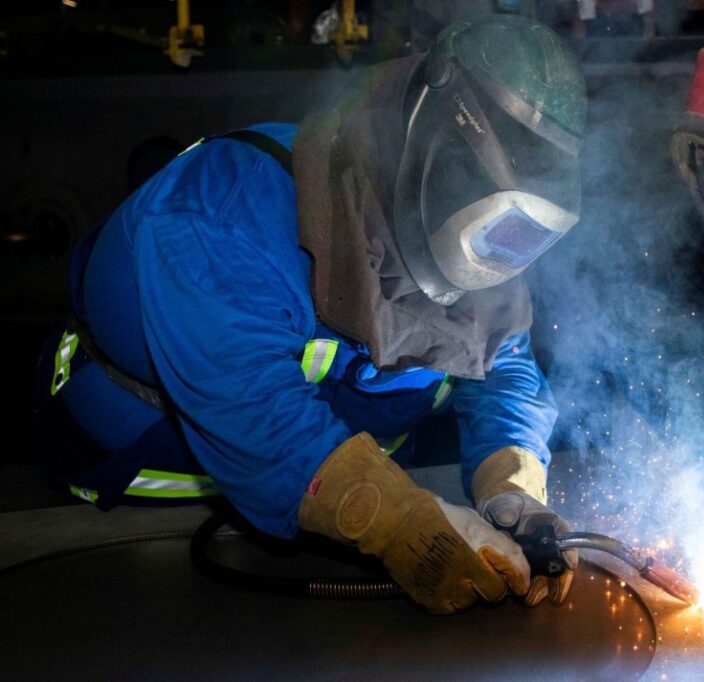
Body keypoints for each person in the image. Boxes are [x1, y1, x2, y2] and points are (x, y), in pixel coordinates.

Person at [33, 14, 587, 615]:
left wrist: (513, 486)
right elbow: (245, 397)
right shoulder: (223, 208)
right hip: (124, 523)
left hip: (333, 527)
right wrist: (389, 516)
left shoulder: (475, 253)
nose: (494, 259)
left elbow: (502, 367)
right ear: (434, 148)